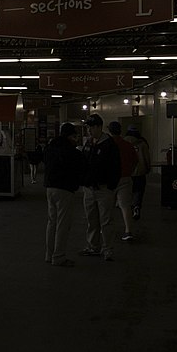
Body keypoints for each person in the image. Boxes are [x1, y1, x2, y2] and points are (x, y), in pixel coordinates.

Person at [44, 123, 87, 267]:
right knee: (63, 224)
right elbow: (79, 169)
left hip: (50, 188)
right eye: (75, 136)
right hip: (65, 189)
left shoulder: (50, 147)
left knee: (52, 222)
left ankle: (49, 255)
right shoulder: (71, 151)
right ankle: (59, 256)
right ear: (70, 136)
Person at [80, 114, 120, 261]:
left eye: (91, 127)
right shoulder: (89, 143)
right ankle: (93, 246)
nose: (89, 130)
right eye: (88, 127)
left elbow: (116, 167)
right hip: (89, 188)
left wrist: (111, 186)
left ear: (98, 127)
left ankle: (107, 248)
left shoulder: (109, 144)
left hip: (104, 189)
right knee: (92, 219)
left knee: (106, 220)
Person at [108, 121, 137, 242]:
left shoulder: (107, 145)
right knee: (125, 206)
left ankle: (106, 228)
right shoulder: (127, 145)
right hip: (125, 178)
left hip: (109, 179)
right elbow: (135, 160)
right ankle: (128, 231)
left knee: (107, 206)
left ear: (109, 131)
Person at [124, 125, 151, 220]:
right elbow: (147, 158)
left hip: (127, 172)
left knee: (127, 192)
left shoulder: (124, 142)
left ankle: (126, 209)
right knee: (138, 191)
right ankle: (136, 207)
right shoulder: (142, 143)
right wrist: (148, 168)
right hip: (140, 172)